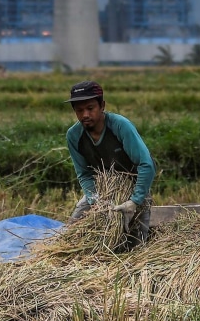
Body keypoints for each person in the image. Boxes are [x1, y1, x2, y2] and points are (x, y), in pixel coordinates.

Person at [65, 80, 156, 247]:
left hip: (133, 187)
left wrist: (134, 201)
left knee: (136, 245)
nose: (85, 114)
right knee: (71, 235)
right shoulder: (73, 135)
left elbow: (146, 164)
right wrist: (96, 201)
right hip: (102, 190)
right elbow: (84, 174)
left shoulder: (120, 126)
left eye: (90, 108)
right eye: (79, 110)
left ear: (102, 106)